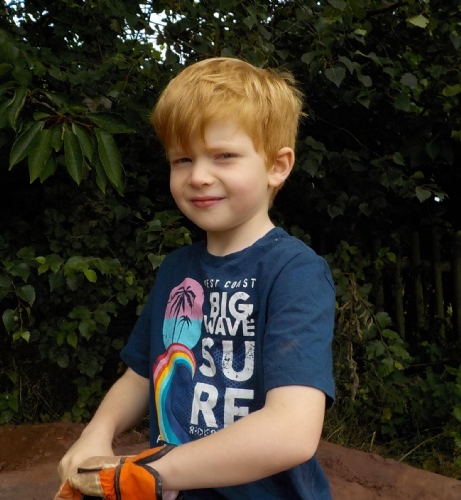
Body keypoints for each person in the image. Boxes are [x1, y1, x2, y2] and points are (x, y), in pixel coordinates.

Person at [55, 57, 335, 499]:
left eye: (224, 156)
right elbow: (142, 375)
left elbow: (291, 431)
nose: (199, 176)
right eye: (183, 159)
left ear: (277, 166)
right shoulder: (176, 269)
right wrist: (96, 434)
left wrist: (150, 472)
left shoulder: (294, 272)